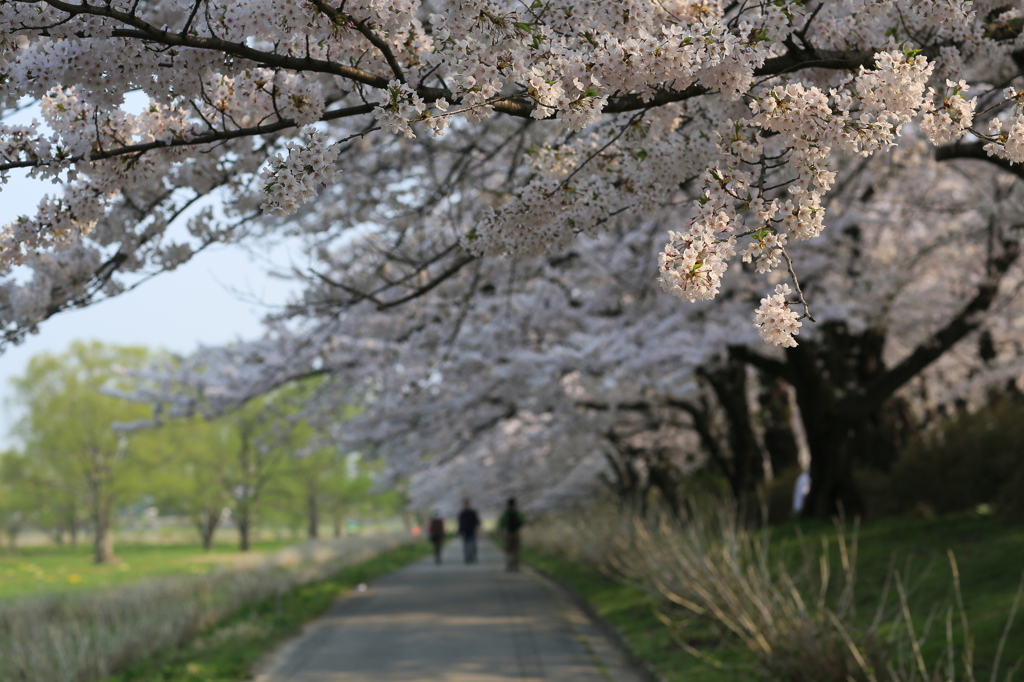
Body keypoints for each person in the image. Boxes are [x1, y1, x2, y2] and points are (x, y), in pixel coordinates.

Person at [497, 497, 525, 572]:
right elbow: (522, 521)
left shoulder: (506, 513)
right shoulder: (518, 512)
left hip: (508, 533)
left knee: (508, 551)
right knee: (516, 550)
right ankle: (516, 566)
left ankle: (509, 565)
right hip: (516, 533)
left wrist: (501, 532)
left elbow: (501, 523)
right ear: (515, 504)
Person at [457, 498, 481, 564]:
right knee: (466, 546)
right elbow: (460, 523)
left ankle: (473, 557)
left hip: (472, 531)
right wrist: (460, 532)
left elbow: (477, 522)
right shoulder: (462, 513)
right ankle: (467, 558)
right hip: (465, 532)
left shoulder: (472, 512)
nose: (466, 505)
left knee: (473, 546)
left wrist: (478, 529)